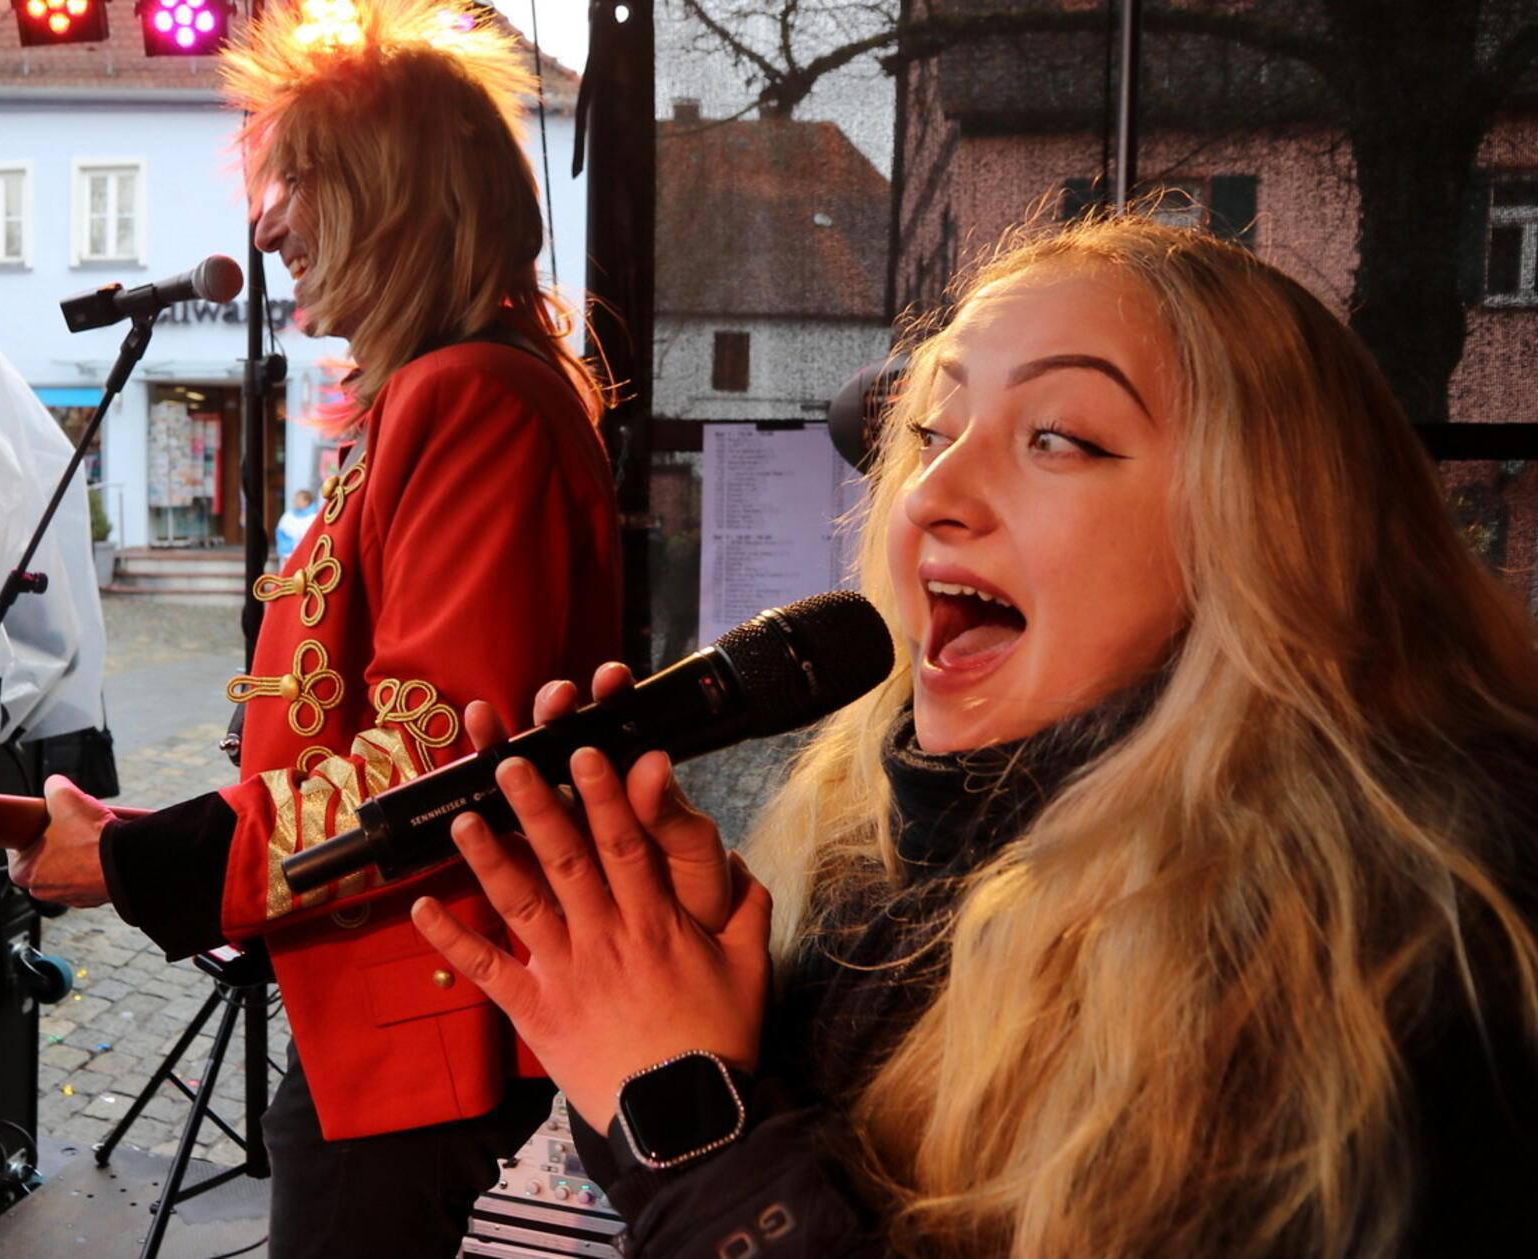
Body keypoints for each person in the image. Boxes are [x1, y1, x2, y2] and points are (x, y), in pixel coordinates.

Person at [415, 215, 1538, 1257]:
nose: (931, 492)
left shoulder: (1387, 952)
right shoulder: (881, 870)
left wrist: (686, 1111)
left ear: (1274, 531)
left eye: (1056, 437)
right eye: (929, 430)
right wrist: (727, 1005)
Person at [7, 0, 622, 1251]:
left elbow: (437, 761)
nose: (268, 222)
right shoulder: (453, 389)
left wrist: (138, 864)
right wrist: (147, 836)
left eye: (294, 181)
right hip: (403, 1015)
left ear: (386, 192)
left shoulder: (466, 397)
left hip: (435, 1033)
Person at [273, 487, 318, 560]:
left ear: (306, 501)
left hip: (306, 555)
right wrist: (286, 547)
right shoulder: (289, 515)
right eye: (295, 499)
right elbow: (280, 532)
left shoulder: (315, 516)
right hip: (289, 555)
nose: (296, 502)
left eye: (299, 499)